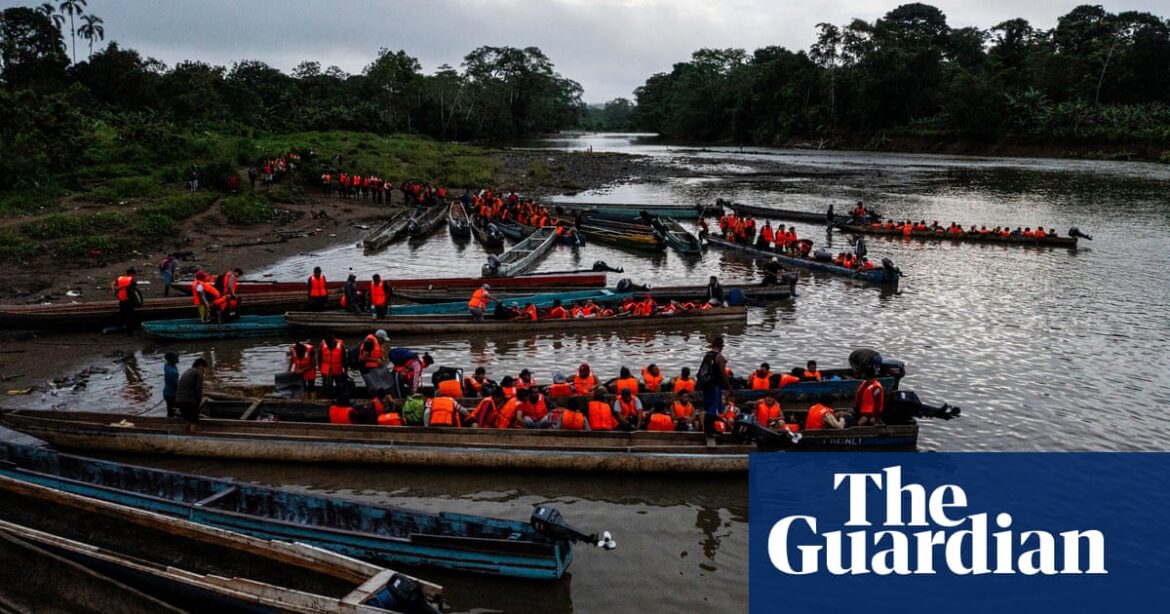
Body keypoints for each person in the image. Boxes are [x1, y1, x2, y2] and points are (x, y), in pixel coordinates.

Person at [699, 336, 732, 447]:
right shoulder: (719, 357)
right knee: (713, 409)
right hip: (713, 385)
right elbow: (723, 374)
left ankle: (710, 429)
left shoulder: (707, 355)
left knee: (709, 407)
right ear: (721, 346)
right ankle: (709, 431)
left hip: (705, 385)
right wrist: (729, 387)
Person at [176, 358, 208, 433]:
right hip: (189, 401)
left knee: (188, 420)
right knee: (194, 422)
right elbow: (198, 389)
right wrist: (198, 402)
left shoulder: (187, 371)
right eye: (204, 368)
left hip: (179, 400)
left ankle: (185, 435)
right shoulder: (198, 372)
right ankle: (193, 438)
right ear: (200, 365)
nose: (204, 370)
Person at [111, 268, 139, 333]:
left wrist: (114, 293)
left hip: (122, 300)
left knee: (122, 315)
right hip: (129, 301)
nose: (134, 276)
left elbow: (112, 283)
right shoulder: (131, 280)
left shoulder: (121, 278)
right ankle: (130, 332)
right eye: (134, 275)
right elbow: (133, 292)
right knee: (130, 316)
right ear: (131, 274)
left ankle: (120, 329)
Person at [162, 352, 180, 418]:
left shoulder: (167, 365)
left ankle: (170, 419)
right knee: (174, 410)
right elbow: (176, 385)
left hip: (167, 392)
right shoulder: (172, 372)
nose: (178, 359)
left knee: (170, 410)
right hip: (171, 394)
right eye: (176, 358)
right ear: (172, 360)